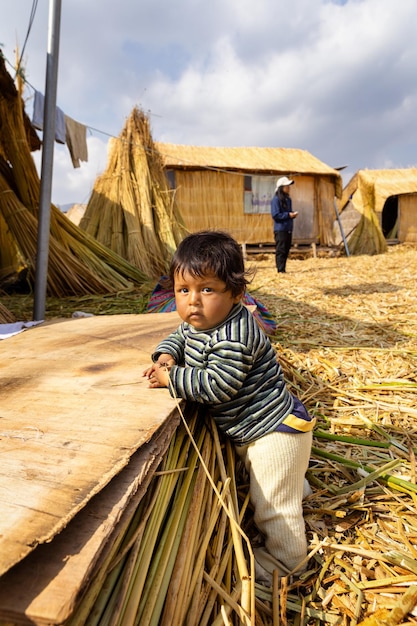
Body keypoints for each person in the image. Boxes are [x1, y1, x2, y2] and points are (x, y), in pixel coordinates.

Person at [143, 230, 315, 584]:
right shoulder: (203, 321)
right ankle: (298, 488)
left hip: (273, 433)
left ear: (236, 293)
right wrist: (166, 354)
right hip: (255, 428)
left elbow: (219, 386)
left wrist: (171, 380)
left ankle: (288, 561)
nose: (193, 301)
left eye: (207, 289)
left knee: (274, 507)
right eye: (183, 290)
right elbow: (180, 334)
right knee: (279, 483)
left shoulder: (234, 335)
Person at [271, 176, 298, 273]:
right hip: (280, 228)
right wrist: (288, 215)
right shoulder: (276, 200)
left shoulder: (288, 200)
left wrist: (292, 215)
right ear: (281, 188)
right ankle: (280, 269)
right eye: (287, 186)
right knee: (281, 249)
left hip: (288, 228)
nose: (289, 188)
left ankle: (283, 268)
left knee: (286, 249)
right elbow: (275, 215)